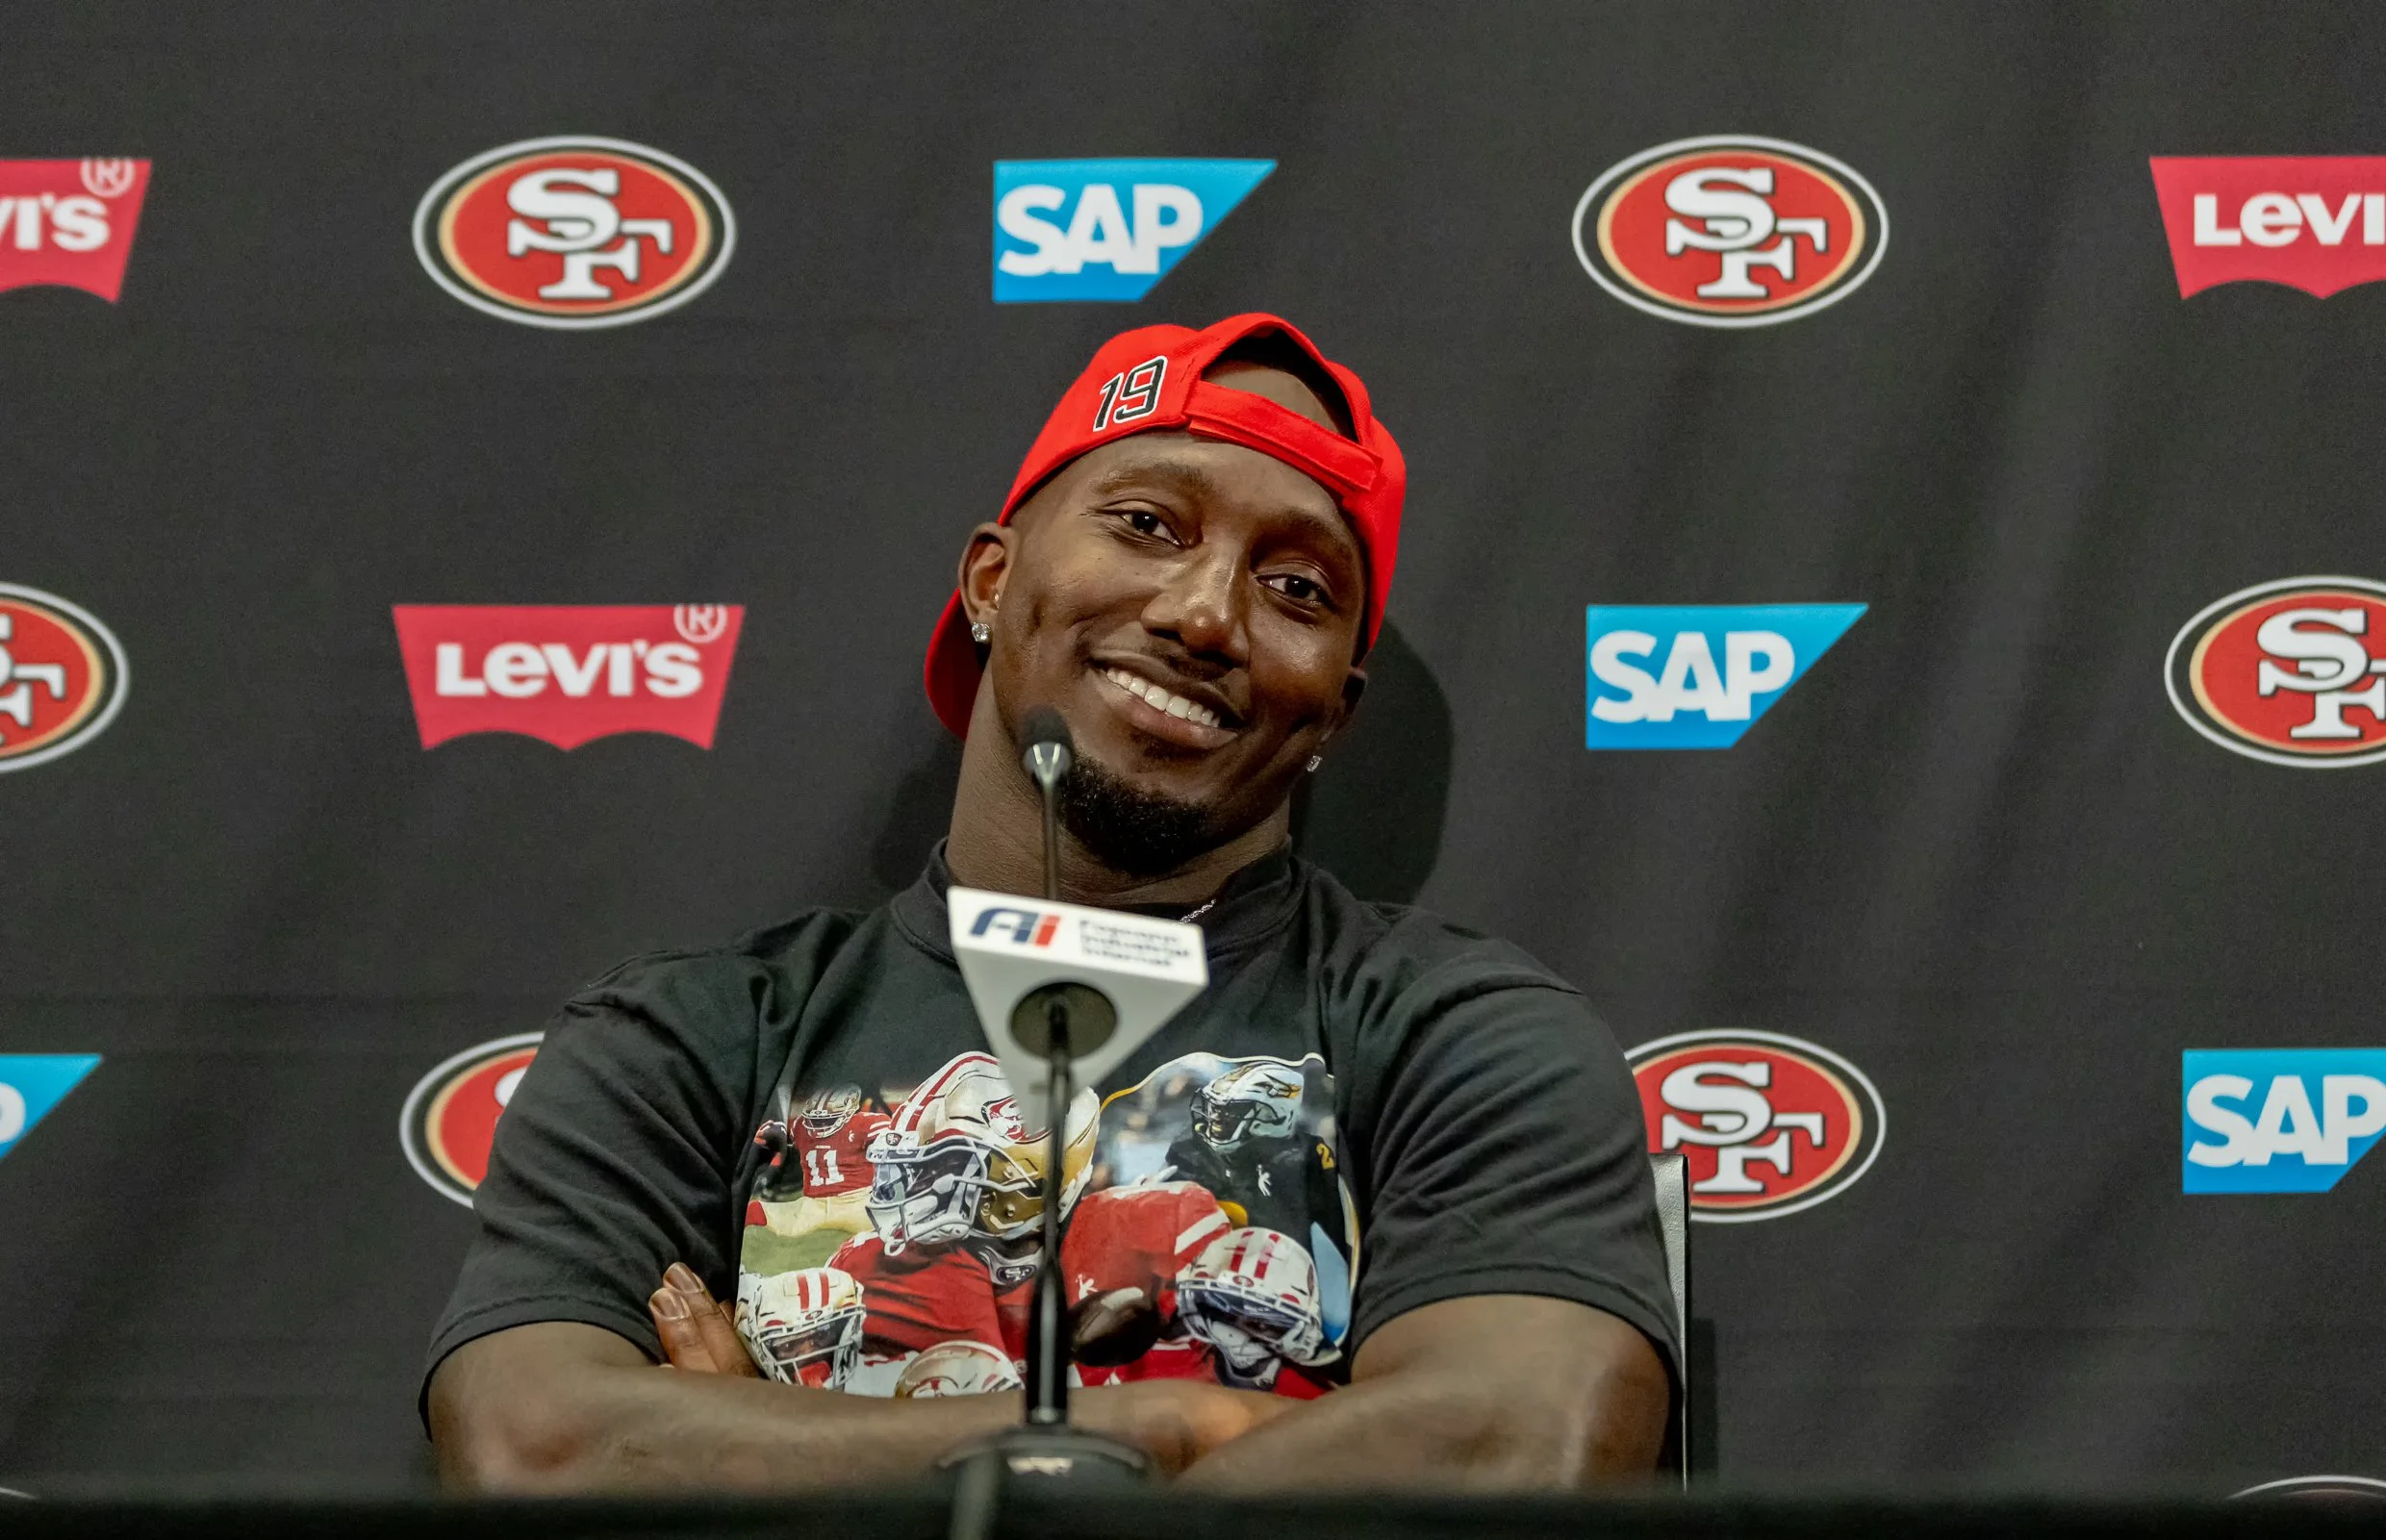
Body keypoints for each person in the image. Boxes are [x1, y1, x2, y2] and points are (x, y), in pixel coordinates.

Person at [422, 313, 1677, 1491]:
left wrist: (783, 1459)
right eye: (1147, 523)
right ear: (989, 580)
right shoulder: (691, 1038)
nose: (1206, 615)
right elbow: (536, 1446)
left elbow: (1526, 1451)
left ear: (1335, 717)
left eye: (1298, 589)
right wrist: (1179, 1425)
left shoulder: (1460, 1032)